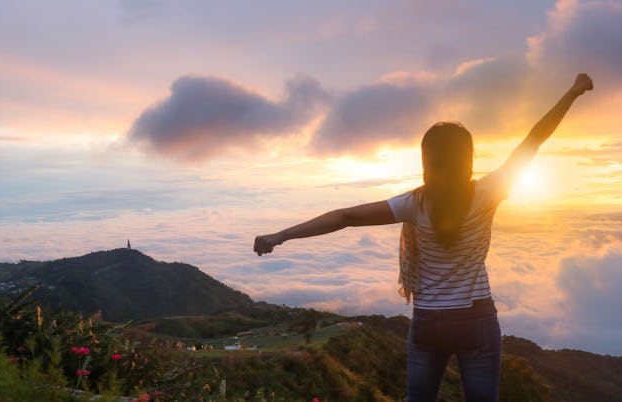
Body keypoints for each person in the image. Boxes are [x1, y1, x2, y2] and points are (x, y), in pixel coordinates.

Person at [254, 73, 593, 402]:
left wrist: (281, 235)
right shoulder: (489, 192)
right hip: (475, 318)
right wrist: (573, 92)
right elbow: (534, 139)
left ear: (426, 160)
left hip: (429, 319)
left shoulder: (413, 204)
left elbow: (345, 217)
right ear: (467, 159)